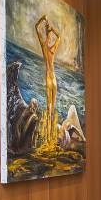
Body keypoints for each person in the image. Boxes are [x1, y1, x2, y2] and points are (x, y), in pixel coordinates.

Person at [35, 15, 61, 148]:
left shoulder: (44, 47)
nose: (50, 38)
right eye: (50, 36)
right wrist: (52, 29)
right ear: (50, 36)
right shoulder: (52, 49)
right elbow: (59, 37)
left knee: (49, 107)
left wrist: (42, 19)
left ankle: (49, 137)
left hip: (49, 80)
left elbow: (36, 27)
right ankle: (51, 137)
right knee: (53, 108)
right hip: (54, 80)